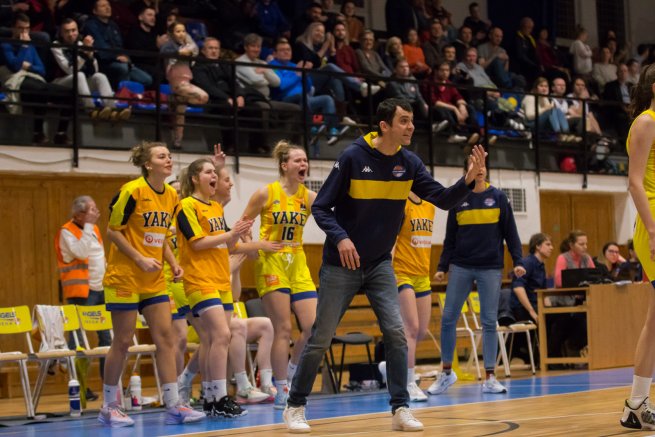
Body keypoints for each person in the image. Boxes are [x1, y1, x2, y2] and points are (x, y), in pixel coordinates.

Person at [282, 98, 487, 433]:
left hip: (379, 264)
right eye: (404, 121)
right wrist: (341, 237)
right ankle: (295, 406)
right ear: (384, 126)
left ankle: (400, 408)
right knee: (320, 337)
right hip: (341, 263)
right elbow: (321, 208)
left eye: (411, 121)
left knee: (396, 333)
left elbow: (444, 200)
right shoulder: (352, 156)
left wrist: (468, 180)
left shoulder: (410, 163)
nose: (410, 127)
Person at [99, 141, 206, 427]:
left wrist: (172, 262)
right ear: (148, 164)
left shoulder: (171, 195)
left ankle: (173, 405)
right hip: (125, 276)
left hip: (155, 279)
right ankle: (109, 406)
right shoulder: (131, 191)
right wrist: (138, 258)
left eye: (170, 156)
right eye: (162, 156)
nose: (168, 159)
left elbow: (159, 237)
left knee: (167, 339)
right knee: (122, 341)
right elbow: (113, 232)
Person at [430, 157, 524, 396]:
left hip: (490, 267)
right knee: (448, 318)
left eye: (482, 166)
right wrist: (442, 266)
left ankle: (490, 376)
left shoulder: (499, 198)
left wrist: (518, 261)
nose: (479, 170)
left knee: (489, 321)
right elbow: (450, 238)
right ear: (467, 171)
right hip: (461, 266)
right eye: (474, 166)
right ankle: (446, 372)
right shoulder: (458, 199)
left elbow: (511, 233)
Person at [176, 158, 260, 416]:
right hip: (199, 279)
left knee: (214, 339)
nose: (215, 176)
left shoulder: (215, 207)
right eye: (209, 172)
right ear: (194, 178)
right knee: (222, 335)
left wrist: (253, 241)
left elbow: (230, 246)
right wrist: (231, 233)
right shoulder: (186, 206)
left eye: (215, 172)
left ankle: (211, 399)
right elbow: (198, 243)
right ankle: (221, 396)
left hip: (220, 278)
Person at [241, 140, 319, 410]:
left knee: (313, 327)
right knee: (283, 328)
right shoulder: (266, 193)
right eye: (298, 161)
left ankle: (293, 370)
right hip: (271, 261)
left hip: (297, 260)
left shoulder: (309, 197)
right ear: (284, 165)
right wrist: (252, 246)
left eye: (305, 161)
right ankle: (282, 387)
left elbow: (332, 217)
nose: (303, 165)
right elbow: (243, 224)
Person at [621, 62, 655, 430]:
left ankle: (636, 404)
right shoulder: (647, 122)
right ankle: (636, 401)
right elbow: (634, 182)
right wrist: (651, 227)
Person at [378, 191, 436, 402]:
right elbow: (391, 239)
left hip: (422, 274)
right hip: (402, 273)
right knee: (409, 329)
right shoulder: (400, 203)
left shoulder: (430, 205)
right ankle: (408, 383)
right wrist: (386, 268)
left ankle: (390, 367)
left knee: (420, 331)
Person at [54, 195, 111, 401]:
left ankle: (109, 386)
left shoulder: (93, 228)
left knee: (107, 338)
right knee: (77, 340)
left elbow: (99, 256)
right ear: (79, 214)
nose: (96, 213)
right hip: (81, 292)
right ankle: (78, 387)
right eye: (92, 210)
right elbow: (81, 252)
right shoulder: (66, 231)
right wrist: (88, 226)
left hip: (101, 289)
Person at [0, 13, 72, 145]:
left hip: (34, 79)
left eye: (27, 28)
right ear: (13, 28)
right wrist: (24, 46)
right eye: (20, 28)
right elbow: (15, 67)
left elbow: (41, 70)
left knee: (69, 93)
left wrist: (28, 66)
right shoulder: (6, 45)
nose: (24, 32)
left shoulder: (31, 47)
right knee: (40, 90)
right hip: (17, 81)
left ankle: (60, 134)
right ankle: (37, 133)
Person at [51, 18, 127, 121]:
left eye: (73, 30)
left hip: (79, 83)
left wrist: (90, 56)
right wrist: (83, 53)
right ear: (61, 33)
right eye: (67, 31)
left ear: (78, 31)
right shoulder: (56, 46)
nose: (71, 34)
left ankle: (112, 110)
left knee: (100, 76)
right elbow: (69, 70)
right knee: (79, 75)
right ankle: (91, 110)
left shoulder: (80, 45)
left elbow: (94, 71)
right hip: (60, 82)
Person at [160, 21, 208, 148]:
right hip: (177, 82)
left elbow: (194, 51)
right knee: (203, 97)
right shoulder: (168, 46)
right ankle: (174, 98)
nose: (181, 34)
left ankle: (177, 141)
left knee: (180, 113)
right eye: (178, 31)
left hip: (186, 80)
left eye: (183, 31)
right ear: (171, 33)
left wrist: (187, 49)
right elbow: (167, 53)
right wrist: (181, 52)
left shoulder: (187, 46)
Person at [511, 233, 553, 323]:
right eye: (548, 244)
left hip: (536, 305)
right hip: (523, 308)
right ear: (538, 246)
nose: (551, 248)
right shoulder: (526, 263)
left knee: (562, 316)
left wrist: (550, 308)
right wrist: (532, 311)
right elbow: (518, 288)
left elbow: (543, 292)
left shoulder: (541, 266)